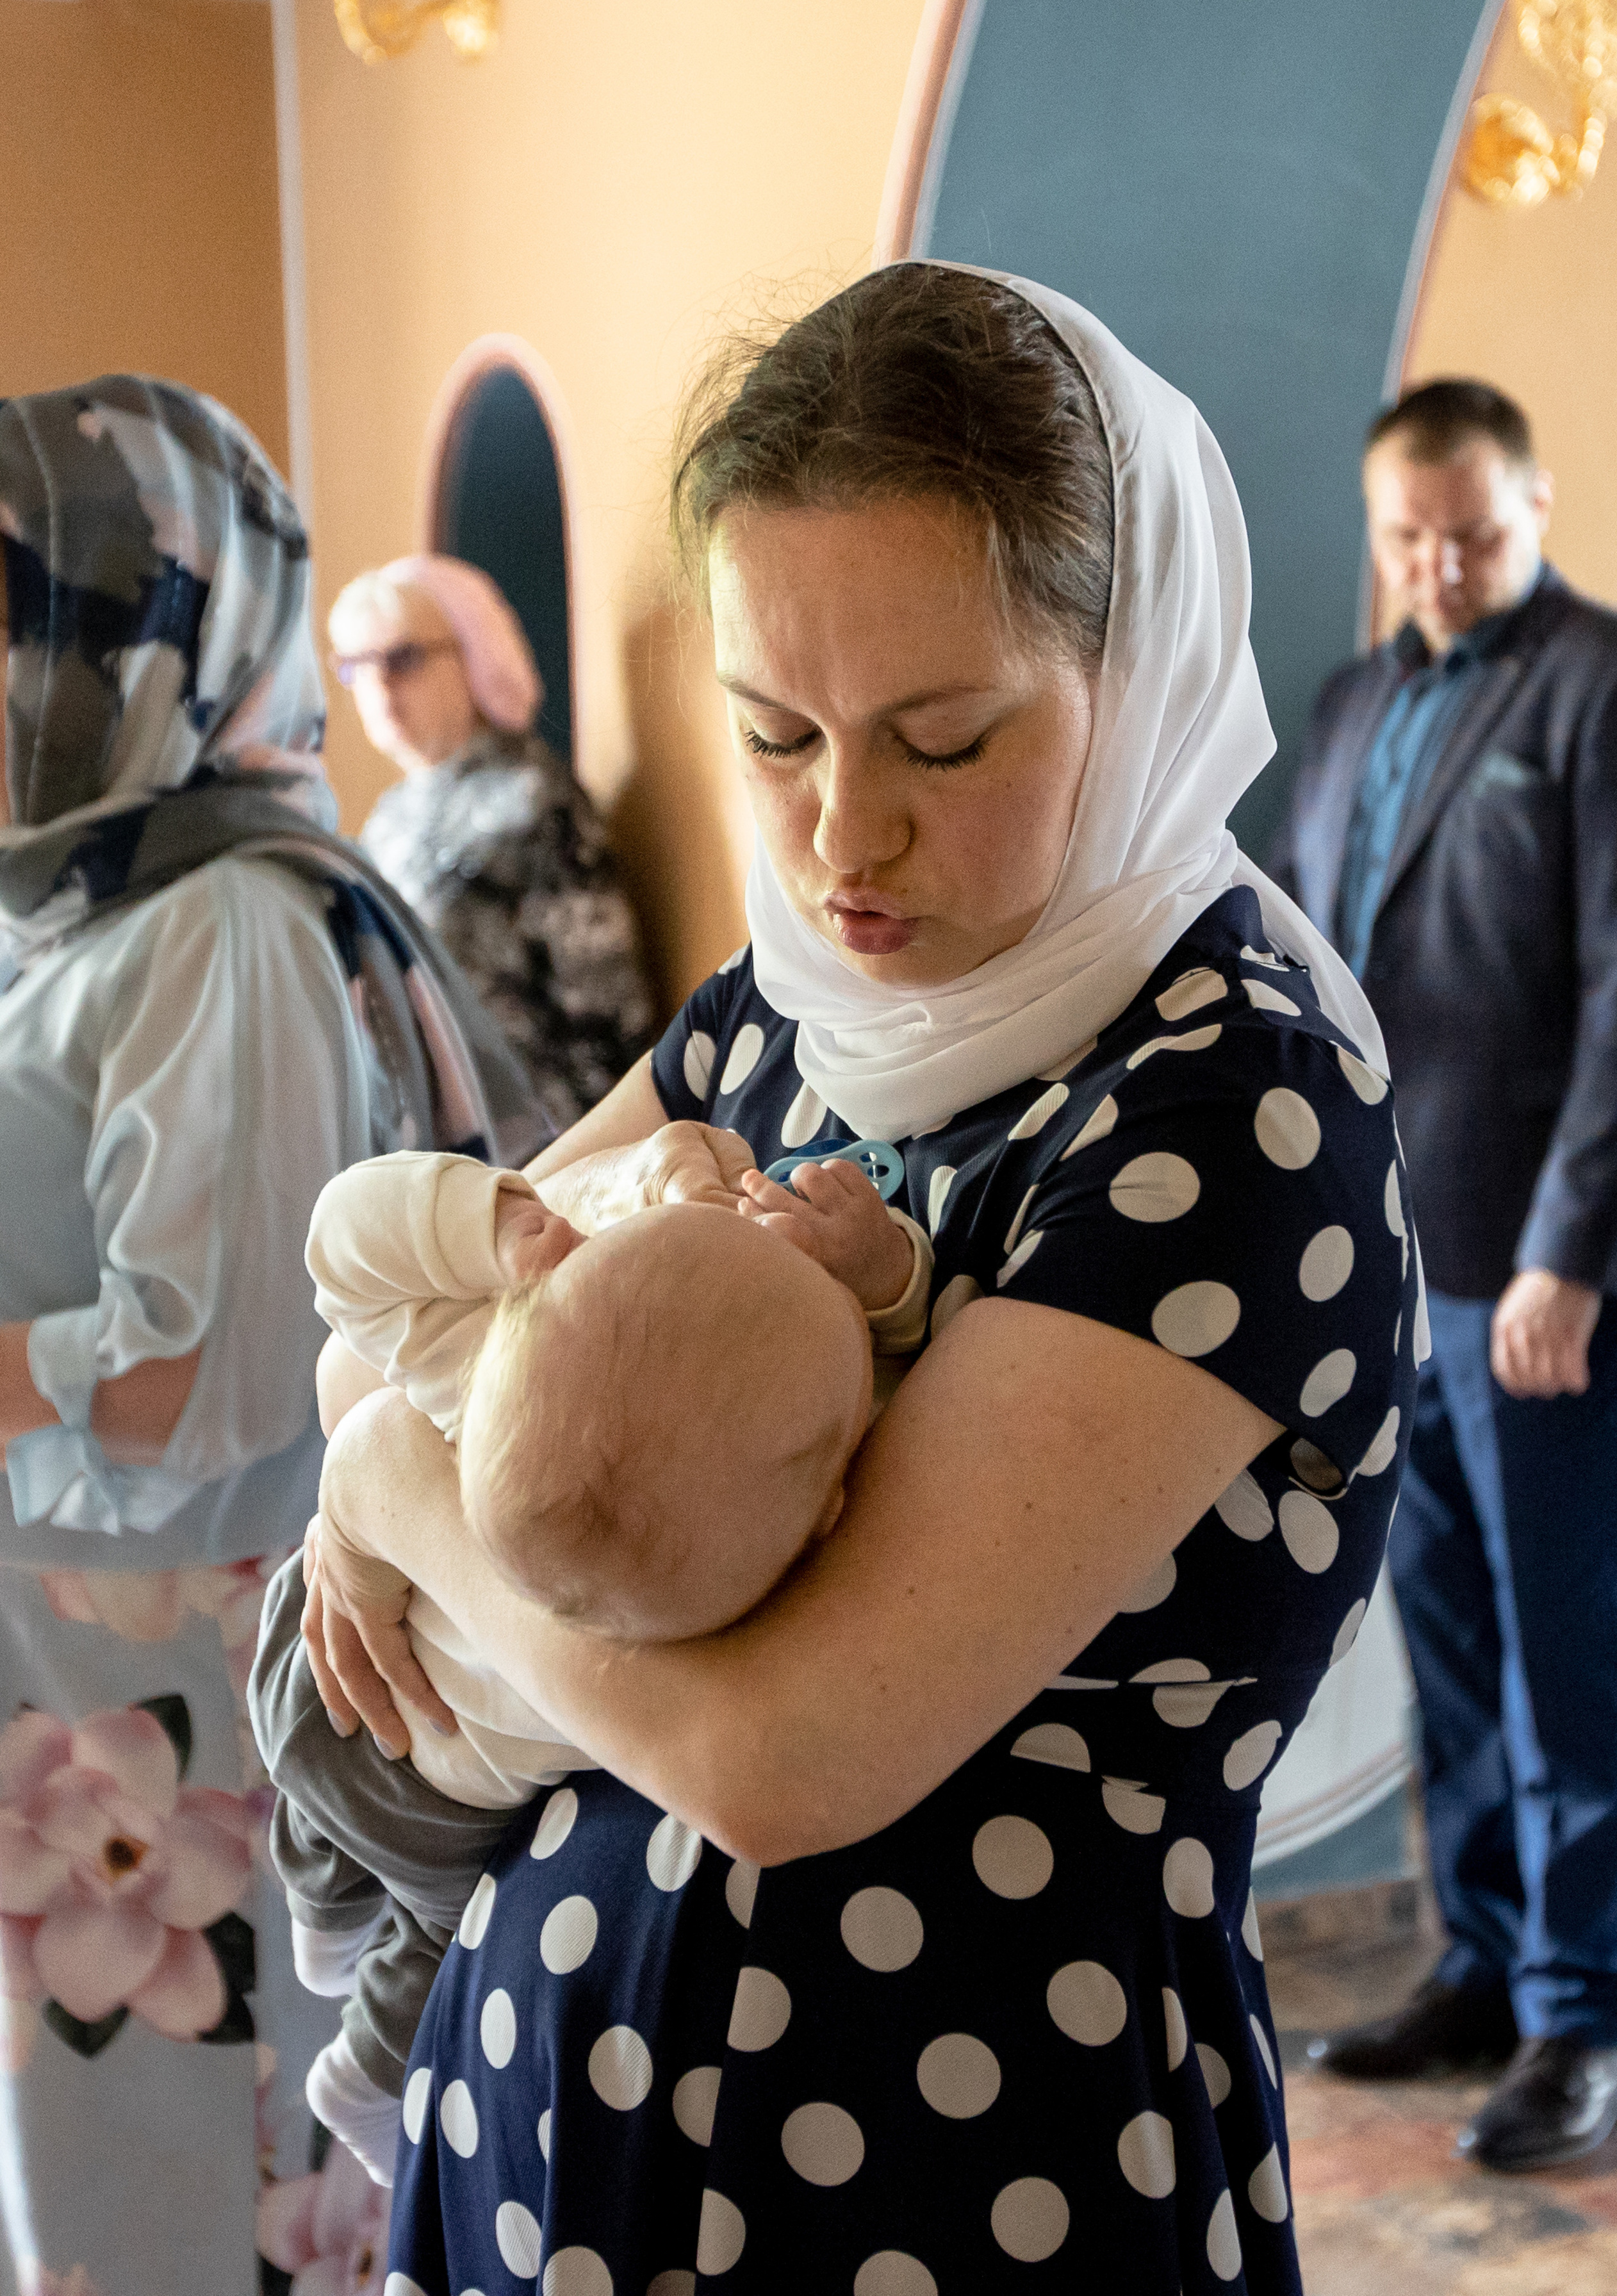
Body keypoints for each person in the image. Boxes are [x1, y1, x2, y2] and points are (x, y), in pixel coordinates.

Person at [302, 264, 1418, 2294]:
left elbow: (785, 1761)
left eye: (945, 736)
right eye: (772, 733)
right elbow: (428, 1307)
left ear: (1139, 664)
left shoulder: (1226, 1098)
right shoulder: (780, 1010)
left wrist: (395, 1497)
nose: (843, 834)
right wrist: (385, 1416)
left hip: (960, 2167)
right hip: (558, 2114)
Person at [0, 377, 538, 2296]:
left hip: (187, 1697)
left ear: (155, 630)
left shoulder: (220, 920)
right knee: (98, 2189)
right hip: (78, 1672)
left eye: (22, 615)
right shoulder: (85, 900)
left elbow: (207, 1369)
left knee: (192, 2206)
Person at [251, 1139, 928, 2183]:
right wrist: (884, 1278)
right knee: (426, 1947)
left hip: (320, 1676)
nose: (773, 1223)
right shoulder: (748, 1562)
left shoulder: (475, 1379)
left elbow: (344, 1244)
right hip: (445, 1807)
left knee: (311, 1810)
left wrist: (501, 1224)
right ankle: (361, 2062)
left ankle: (319, 1920)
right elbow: (891, 1368)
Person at [1279, 380, 1617, 2169]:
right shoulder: (1353, 704)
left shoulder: (1606, 683)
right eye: (1410, 537)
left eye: (1474, 534)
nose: (1439, 564)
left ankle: (1593, 2009)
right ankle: (1486, 1962)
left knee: (1570, 1653)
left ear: (1536, 504)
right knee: (1448, 1642)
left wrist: (1572, 1255)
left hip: (1538, 1282)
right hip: (1388, 1273)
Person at [331, 555, 654, 1132]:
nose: (379, 686)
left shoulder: (534, 800)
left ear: (473, 652)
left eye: (403, 658)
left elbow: (609, 1015)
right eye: (357, 665)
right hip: (422, 1152)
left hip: (537, 1154)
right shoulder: (387, 820)